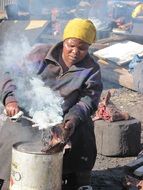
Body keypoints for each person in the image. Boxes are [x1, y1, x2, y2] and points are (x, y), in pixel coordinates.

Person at [0, 18, 103, 190]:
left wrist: (71, 121)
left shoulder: (91, 69)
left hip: (64, 116)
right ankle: (6, 178)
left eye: (82, 48)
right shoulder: (39, 53)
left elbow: (88, 100)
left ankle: (79, 180)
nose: (75, 52)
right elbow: (10, 73)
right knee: (13, 132)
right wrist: (10, 99)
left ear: (89, 48)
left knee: (84, 128)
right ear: (64, 41)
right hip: (29, 112)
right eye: (71, 45)